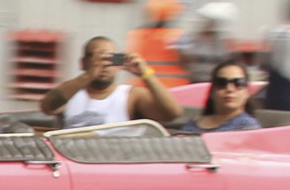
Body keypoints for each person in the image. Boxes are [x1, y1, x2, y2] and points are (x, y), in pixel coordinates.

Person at [40, 36, 185, 130]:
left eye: (111, 58)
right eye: (98, 57)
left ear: (119, 62)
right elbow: (47, 107)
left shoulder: (131, 95)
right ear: (84, 63)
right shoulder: (70, 91)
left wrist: (146, 74)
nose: (105, 64)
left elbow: (172, 113)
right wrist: (88, 76)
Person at [177, 59, 262, 135]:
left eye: (238, 83)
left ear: (247, 92)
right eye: (221, 83)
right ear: (212, 91)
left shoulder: (248, 127)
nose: (229, 89)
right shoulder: (193, 123)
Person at [125, 0, 188, 88]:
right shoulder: (176, 35)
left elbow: (127, 59)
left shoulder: (138, 34)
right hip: (172, 87)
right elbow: (186, 61)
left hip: (143, 85)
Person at [178, 2, 237, 84]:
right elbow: (184, 59)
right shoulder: (190, 38)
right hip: (195, 80)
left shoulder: (223, 41)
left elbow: (229, 60)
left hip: (215, 81)